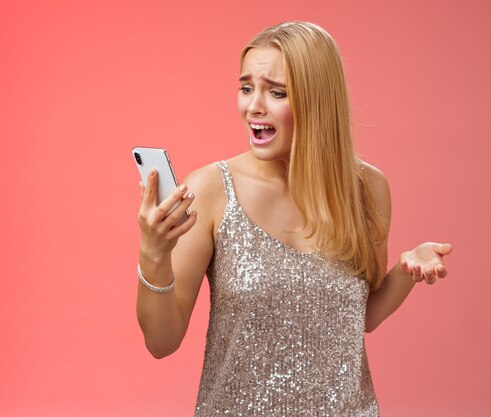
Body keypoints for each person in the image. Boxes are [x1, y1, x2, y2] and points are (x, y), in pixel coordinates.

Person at [136, 21, 453, 416]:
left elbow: (358, 319)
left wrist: (406, 273)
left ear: (318, 100)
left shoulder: (368, 190)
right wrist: (153, 252)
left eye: (277, 92)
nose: (253, 106)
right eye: (247, 87)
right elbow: (161, 342)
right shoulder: (213, 189)